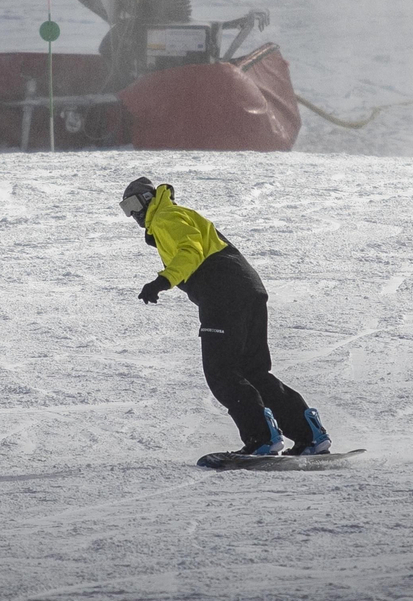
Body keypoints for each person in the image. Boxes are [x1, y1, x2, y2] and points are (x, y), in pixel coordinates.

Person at [121, 176, 332, 457]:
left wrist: (163, 281)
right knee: (253, 371)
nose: (132, 213)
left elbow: (190, 250)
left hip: (222, 292)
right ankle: (309, 435)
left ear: (147, 200)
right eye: (125, 208)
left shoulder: (165, 217)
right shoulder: (178, 214)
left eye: (133, 204)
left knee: (221, 370)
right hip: (248, 289)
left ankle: (262, 438)